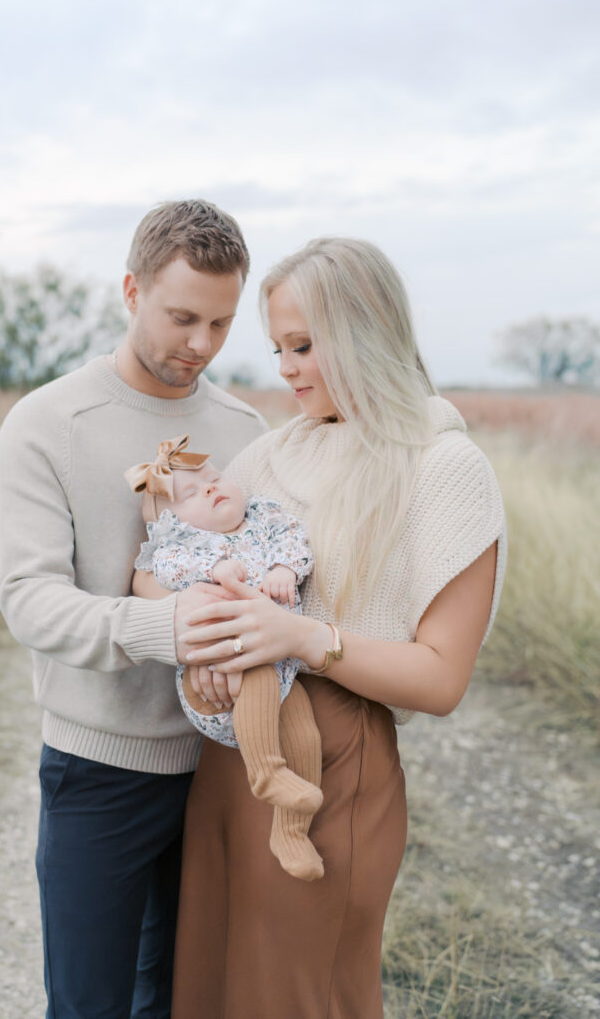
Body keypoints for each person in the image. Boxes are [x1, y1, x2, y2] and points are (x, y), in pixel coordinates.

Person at [170, 237, 508, 1018]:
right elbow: (184, 570)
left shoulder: (443, 466)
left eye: (304, 345)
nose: (284, 368)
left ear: (365, 335)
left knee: (299, 992)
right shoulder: (263, 457)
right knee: (213, 979)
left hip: (334, 766)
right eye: (278, 346)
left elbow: (442, 680)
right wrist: (206, 655)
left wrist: (302, 639)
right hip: (230, 754)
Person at [0, 199, 267, 1019]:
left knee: (186, 1000)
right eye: (183, 317)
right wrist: (169, 629)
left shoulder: (247, 428)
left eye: (221, 323)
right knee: (88, 1005)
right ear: (129, 290)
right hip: (98, 771)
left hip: (222, 769)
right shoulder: (45, 423)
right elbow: (30, 602)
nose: (202, 345)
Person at [125, 435, 325, 880]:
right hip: (216, 670)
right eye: (192, 493)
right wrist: (212, 568)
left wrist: (284, 570)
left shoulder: (265, 518)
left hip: (280, 664)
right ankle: (266, 773)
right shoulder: (185, 545)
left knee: (306, 737)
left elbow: (296, 540)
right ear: (173, 521)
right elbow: (165, 568)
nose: (211, 488)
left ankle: (291, 832)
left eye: (213, 478)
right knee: (254, 674)